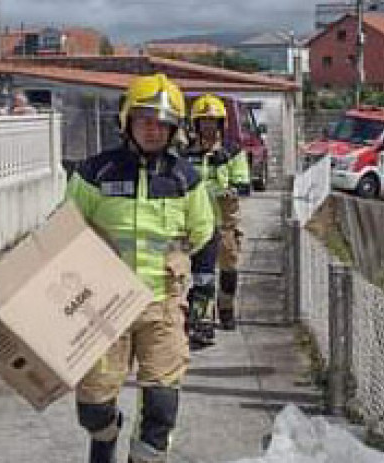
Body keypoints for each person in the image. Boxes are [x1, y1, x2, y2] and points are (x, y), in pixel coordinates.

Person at [65, 73, 214, 463]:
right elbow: (64, 234)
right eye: (145, 120)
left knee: (162, 408)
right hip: (103, 307)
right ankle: (105, 438)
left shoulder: (187, 179)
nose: (153, 130)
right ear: (127, 121)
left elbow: (206, 236)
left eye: (162, 123)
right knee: (94, 408)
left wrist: (203, 296)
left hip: (162, 305)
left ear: (175, 129)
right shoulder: (95, 173)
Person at [186, 94, 251, 335]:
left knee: (228, 271)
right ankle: (201, 317)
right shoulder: (185, 153)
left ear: (222, 124)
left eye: (213, 122)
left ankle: (226, 310)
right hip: (194, 225)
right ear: (195, 125)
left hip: (224, 224)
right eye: (203, 122)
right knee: (199, 275)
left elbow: (244, 184)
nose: (208, 127)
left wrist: (229, 190)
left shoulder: (232, 152)